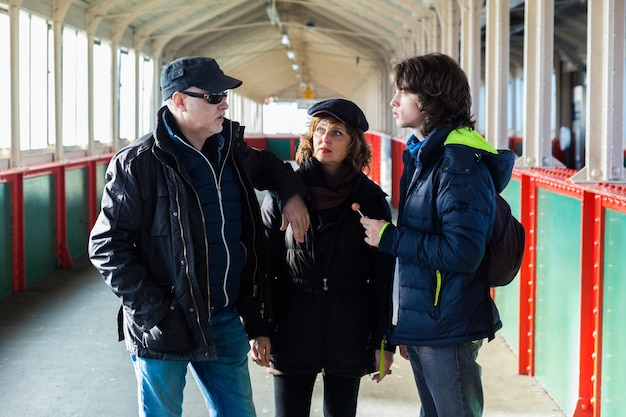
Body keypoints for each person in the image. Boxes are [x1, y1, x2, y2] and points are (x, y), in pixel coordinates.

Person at [88, 56, 310, 417]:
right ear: (178, 100)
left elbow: (271, 167)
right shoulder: (137, 163)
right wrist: (157, 314)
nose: (224, 102)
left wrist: (292, 196)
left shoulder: (230, 152)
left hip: (224, 319)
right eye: (214, 95)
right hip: (166, 324)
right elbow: (105, 246)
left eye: (225, 95)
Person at [359, 53, 516, 417]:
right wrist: (406, 326)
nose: (394, 101)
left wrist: (389, 237)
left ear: (431, 98)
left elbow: (463, 252)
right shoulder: (426, 157)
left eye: (404, 92)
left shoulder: (457, 164)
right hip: (429, 320)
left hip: (448, 323)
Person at [260, 98, 395, 417]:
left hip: (349, 328)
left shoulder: (371, 201)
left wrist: (383, 342)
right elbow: (263, 267)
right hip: (291, 327)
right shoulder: (284, 194)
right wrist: (259, 328)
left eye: (337, 133)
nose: (325, 138)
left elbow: (383, 279)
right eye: (320, 130)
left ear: (353, 145)